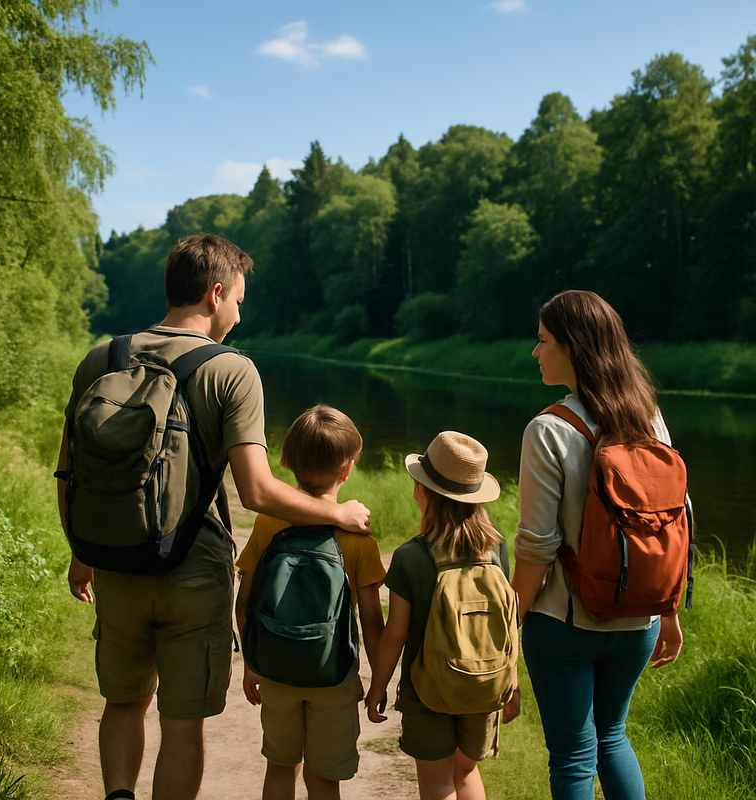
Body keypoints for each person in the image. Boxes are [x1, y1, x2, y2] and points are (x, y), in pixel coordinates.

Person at [55, 233, 371, 800]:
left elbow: (71, 469)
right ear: (215, 293)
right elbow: (257, 491)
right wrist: (336, 512)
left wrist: (85, 551)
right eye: (240, 301)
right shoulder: (231, 370)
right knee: (182, 722)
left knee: (122, 702)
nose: (240, 314)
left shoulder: (103, 357)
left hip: (117, 562)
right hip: (192, 568)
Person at [511, 289, 683, 800]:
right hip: (640, 621)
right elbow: (674, 518)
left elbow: (538, 548)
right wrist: (668, 610)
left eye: (543, 342)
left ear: (573, 347)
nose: (535, 352)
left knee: (572, 753)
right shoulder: (648, 417)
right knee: (613, 738)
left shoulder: (548, 430)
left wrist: (508, 624)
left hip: (566, 622)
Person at [235, 404, 386, 800]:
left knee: (280, 766)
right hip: (333, 678)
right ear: (347, 469)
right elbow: (372, 622)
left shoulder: (269, 522)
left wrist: (253, 662)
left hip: (278, 673)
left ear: (287, 463)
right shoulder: (357, 538)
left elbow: (245, 601)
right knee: (323, 779)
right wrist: (379, 681)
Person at [365, 431, 519, 800]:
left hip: (428, 690)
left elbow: (395, 635)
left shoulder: (411, 557)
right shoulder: (496, 547)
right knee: (466, 773)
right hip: (484, 685)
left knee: (437, 782)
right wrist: (511, 681)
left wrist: (377, 687)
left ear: (424, 491)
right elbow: (509, 622)